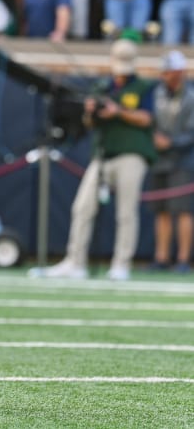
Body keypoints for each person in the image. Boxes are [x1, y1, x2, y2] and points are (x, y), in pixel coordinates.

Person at [32, 37, 155, 281]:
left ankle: (121, 264)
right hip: (102, 154)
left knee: (126, 212)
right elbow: (89, 124)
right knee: (82, 207)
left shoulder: (144, 87)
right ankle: (75, 262)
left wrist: (117, 111)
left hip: (132, 154)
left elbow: (147, 119)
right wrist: (91, 112)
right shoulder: (102, 87)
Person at [149, 50, 194, 274]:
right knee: (162, 210)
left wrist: (171, 142)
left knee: (184, 210)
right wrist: (155, 139)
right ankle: (161, 256)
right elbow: (152, 120)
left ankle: (184, 258)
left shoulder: (191, 96)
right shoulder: (157, 94)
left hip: (184, 159)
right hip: (160, 160)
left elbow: (192, 131)